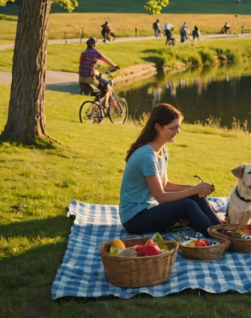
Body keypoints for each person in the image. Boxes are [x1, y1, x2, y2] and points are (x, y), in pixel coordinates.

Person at [119, 104, 223, 238]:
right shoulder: (146, 155)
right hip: (134, 219)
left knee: (194, 196)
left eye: (178, 127)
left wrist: (195, 189)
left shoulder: (162, 150)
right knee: (188, 205)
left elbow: (165, 185)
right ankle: (218, 236)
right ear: (158, 127)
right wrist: (193, 190)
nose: (177, 132)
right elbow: (161, 197)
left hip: (148, 211)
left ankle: (220, 227)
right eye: (173, 128)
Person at [78, 38, 118, 119]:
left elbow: (83, 64)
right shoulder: (95, 52)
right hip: (89, 78)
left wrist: (95, 71)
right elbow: (105, 59)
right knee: (106, 89)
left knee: (99, 93)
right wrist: (114, 66)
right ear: (94, 45)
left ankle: (91, 111)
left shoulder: (83, 53)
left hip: (81, 78)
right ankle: (106, 105)